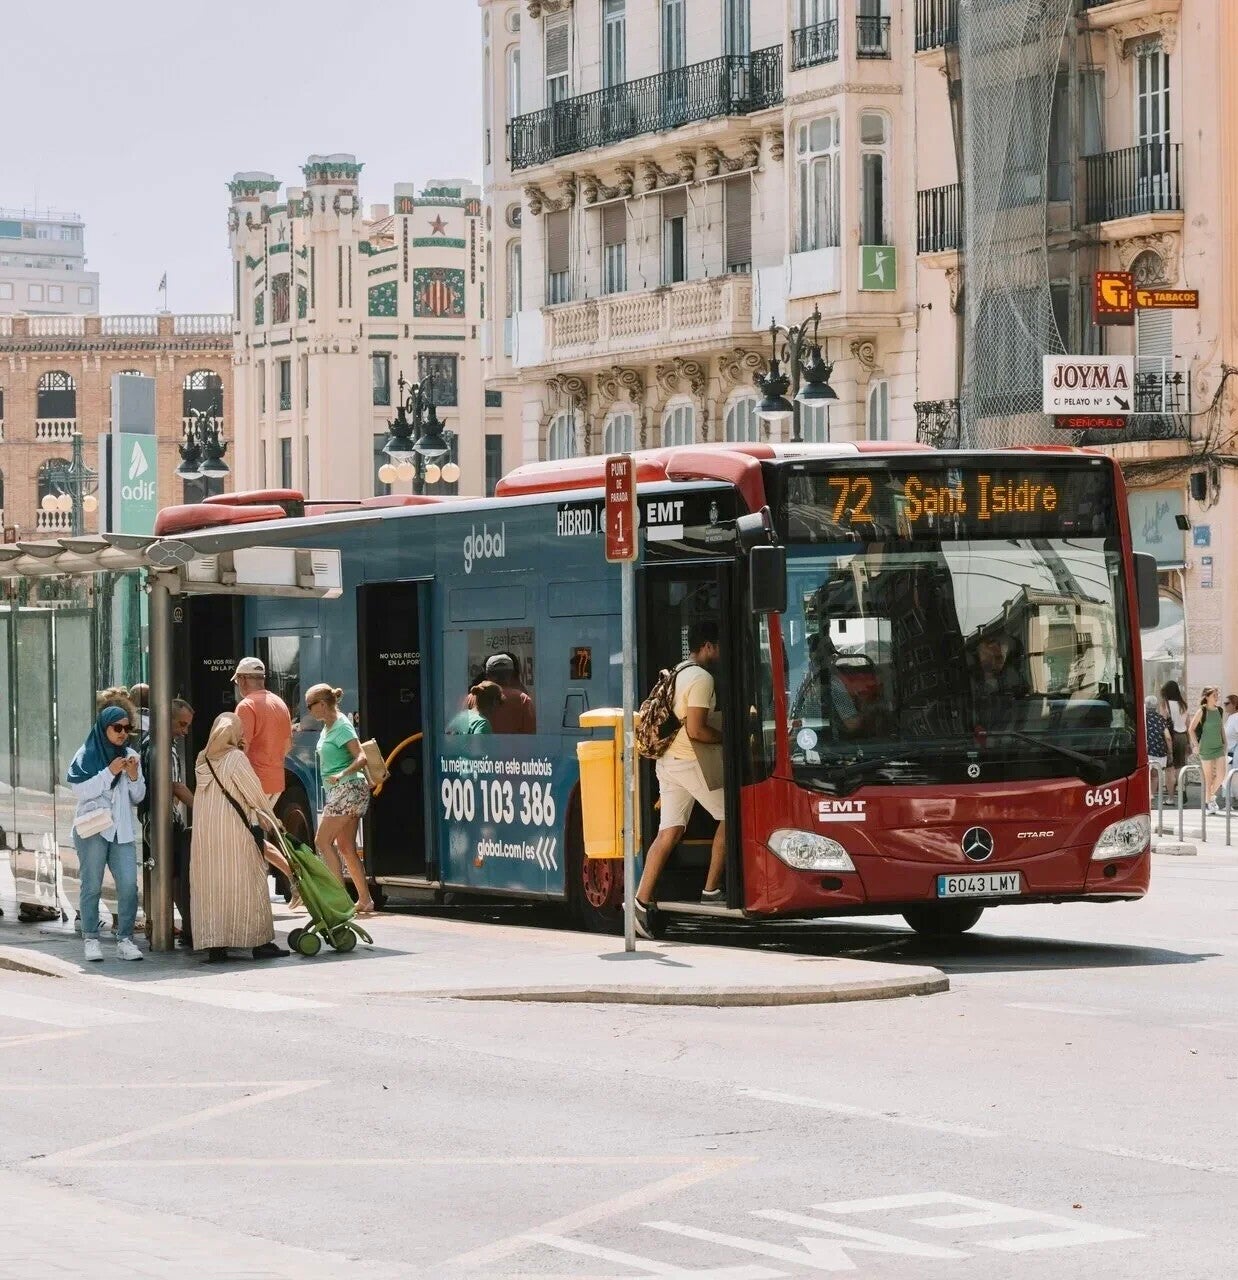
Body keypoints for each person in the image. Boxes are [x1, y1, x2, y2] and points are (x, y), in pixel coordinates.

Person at [635, 620, 726, 938]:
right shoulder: (702, 678)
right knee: (733, 816)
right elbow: (696, 730)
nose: (722, 653)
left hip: (667, 762)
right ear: (709, 646)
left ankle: (640, 903)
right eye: (719, 646)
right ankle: (712, 891)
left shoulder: (678, 671)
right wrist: (729, 738)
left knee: (669, 831)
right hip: (689, 761)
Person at [190, 712, 287, 963]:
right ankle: (260, 943)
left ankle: (216, 945)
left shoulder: (202, 759)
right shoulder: (235, 758)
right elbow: (253, 792)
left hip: (206, 836)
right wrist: (272, 819)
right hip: (233, 831)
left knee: (212, 887)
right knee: (249, 881)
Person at [68, 705, 146, 963]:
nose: (123, 733)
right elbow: (80, 790)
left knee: (129, 886)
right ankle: (91, 938)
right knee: (91, 885)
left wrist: (133, 776)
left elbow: (138, 796)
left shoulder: (131, 755)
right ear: (104, 729)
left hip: (121, 831)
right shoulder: (86, 754)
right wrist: (109, 772)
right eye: (117, 728)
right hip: (93, 830)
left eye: (127, 728)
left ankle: (125, 940)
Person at [306, 684, 378, 916]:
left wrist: (342, 773)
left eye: (310, 706)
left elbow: (361, 757)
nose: (308, 711)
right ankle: (364, 900)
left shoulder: (342, 726)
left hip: (347, 788)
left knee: (322, 841)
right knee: (346, 846)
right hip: (343, 790)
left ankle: (339, 901)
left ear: (322, 704)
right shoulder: (328, 727)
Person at [138, 699, 196, 946]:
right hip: (164, 821)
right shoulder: (164, 749)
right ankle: (190, 927)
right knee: (176, 875)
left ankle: (161, 923)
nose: (185, 731)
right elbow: (176, 786)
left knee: (162, 873)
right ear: (167, 719)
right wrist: (203, 810)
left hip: (149, 821)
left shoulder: (146, 742)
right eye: (181, 724)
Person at [232, 656, 295, 884]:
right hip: (275, 780)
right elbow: (287, 746)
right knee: (254, 834)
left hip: (253, 783)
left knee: (248, 835)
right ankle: (290, 875)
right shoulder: (279, 703)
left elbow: (240, 749)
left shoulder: (246, 706)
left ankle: (293, 875)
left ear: (242, 679)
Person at [1190, 686, 1227, 814]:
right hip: (1205, 748)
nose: (1216, 697)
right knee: (1209, 777)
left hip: (1218, 747)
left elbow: (1221, 728)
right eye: (1214, 695)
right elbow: (1191, 729)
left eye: (1217, 695)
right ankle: (1208, 802)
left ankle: (1209, 797)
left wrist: (1225, 742)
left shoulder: (1220, 710)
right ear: (1207, 697)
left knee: (1221, 775)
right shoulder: (1202, 711)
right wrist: (1196, 745)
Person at [483, 653, 536, 734]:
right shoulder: (523, 699)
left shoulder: (473, 697)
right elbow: (530, 733)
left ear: (487, 675)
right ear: (511, 675)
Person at [1161, 680, 1190, 794]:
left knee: (1170, 767)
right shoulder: (1183, 705)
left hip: (1171, 736)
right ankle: (1181, 790)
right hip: (1183, 736)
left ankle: (1170, 796)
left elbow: (1163, 722)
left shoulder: (1165, 704)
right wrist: (1189, 742)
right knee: (1180, 765)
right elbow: (1188, 724)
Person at [1144, 694, 1172, 775]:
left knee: (1147, 776)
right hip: (1160, 752)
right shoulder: (1161, 719)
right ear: (1156, 706)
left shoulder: (1142, 718)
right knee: (1156, 776)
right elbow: (1168, 737)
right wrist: (1170, 752)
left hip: (1146, 752)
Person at [1225, 694, 1238, 766]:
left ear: (1234, 705)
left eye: (1227, 703)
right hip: (1230, 754)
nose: (1225, 705)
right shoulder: (1231, 717)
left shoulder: (1236, 718)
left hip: (1234, 754)